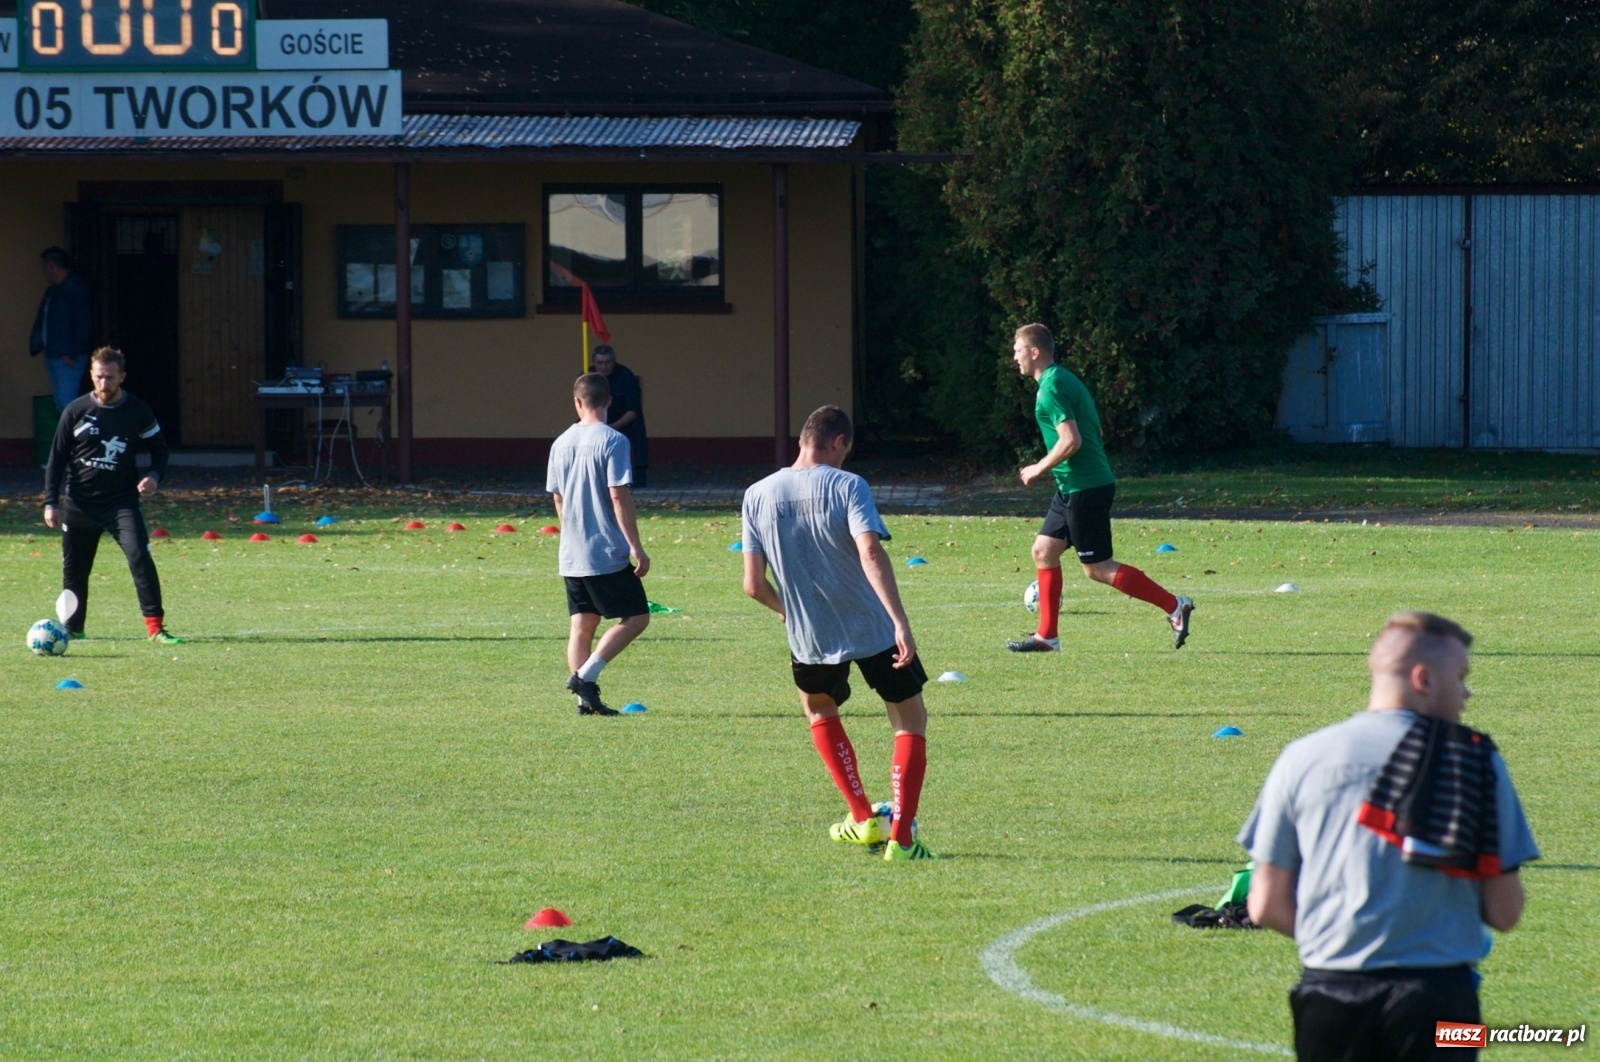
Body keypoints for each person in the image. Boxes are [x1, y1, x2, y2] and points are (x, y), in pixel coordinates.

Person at [1240, 612, 1538, 1062]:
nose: (1466, 692)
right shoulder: (1473, 761)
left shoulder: (1300, 758)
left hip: (1328, 993)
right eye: (1460, 677)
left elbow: (1264, 905)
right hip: (1440, 997)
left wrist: (1341, 943)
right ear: (1423, 678)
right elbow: (1505, 910)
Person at [742, 405, 935, 861]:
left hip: (809, 633)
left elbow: (752, 585)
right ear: (838, 442)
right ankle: (902, 840)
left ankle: (862, 817)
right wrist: (900, 622)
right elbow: (870, 552)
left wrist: (788, 612)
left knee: (819, 710)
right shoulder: (849, 485)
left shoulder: (757, 494)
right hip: (870, 625)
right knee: (909, 720)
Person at [1006, 322, 1193, 652]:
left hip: (1085, 487)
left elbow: (1071, 441)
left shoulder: (1051, 387)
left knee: (1097, 568)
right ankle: (1047, 636)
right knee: (1043, 551)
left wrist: (1038, 467)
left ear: (1034, 352)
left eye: (1017, 350)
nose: (1014, 357)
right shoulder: (1060, 378)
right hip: (1072, 486)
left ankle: (1175, 606)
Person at [43, 347, 181, 644]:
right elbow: (56, 459)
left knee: (139, 556)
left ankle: (156, 628)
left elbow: (160, 450)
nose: (103, 384)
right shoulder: (76, 411)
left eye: (110, 378)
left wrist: (153, 476)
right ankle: (73, 628)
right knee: (75, 570)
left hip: (121, 504)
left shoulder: (137, 411)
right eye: (98, 377)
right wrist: (50, 502)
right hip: (79, 503)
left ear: (122, 377)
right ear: (91, 375)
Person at [547, 372, 651, 716]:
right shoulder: (614, 441)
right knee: (637, 617)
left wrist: (571, 532)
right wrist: (635, 545)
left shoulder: (560, 443)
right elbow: (618, 495)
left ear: (577, 402)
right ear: (608, 401)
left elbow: (558, 499)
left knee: (582, 623)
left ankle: (584, 704)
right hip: (604, 550)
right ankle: (585, 679)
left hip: (571, 550)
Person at [30, 247, 95, 413]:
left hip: (67, 357)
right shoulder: (54, 291)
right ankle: (68, 438)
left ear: (52, 266)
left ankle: (73, 438)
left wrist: (72, 353)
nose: (43, 271)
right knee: (61, 404)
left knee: (67, 405)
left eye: (44, 266)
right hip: (53, 353)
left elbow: (84, 323)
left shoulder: (75, 289)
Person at [591, 344, 648, 488]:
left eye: (607, 362)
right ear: (594, 363)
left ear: (614, 361)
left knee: (638, 427)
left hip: (622, 421)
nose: (603, 367)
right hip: (596, 420)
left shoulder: (625, 376)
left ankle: (639, 473)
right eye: (599, 363)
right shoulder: (588, 377)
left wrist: (612, 427)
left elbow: (634, 410)